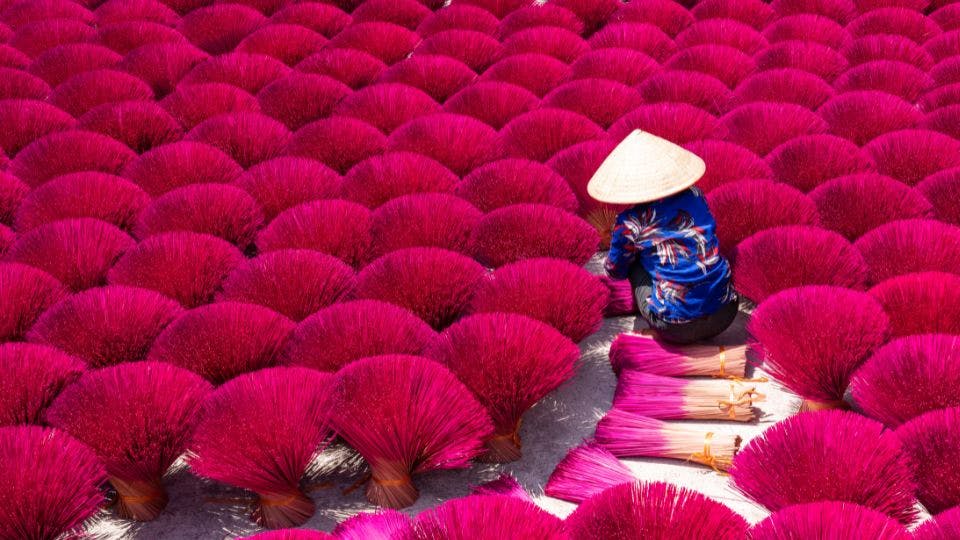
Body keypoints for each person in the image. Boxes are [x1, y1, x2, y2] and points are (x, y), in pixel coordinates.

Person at [588, 130, 738, 344]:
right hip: (726, 312)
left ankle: (660, 318)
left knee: (633, 262)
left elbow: (614, 271)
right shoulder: (696, 195)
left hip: (675, 327)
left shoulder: (630, 221)